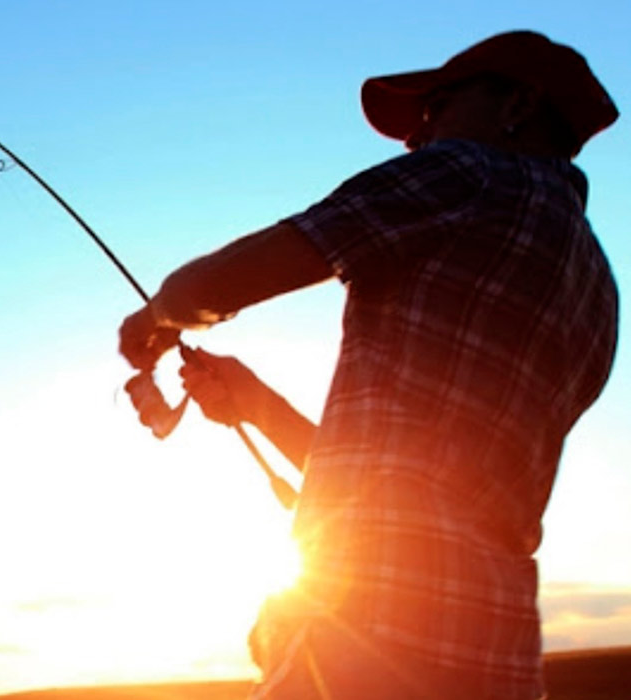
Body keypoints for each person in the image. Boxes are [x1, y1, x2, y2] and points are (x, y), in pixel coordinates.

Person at [118, 31, 618, 699]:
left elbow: (206, 291)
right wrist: (258, 405)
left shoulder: (468, 173)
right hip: (496, 642)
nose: (416, 136)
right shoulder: (598, 286)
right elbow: (417, 483)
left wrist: (154, 319)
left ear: (517, 105)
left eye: (435, 105)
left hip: (373, 618)